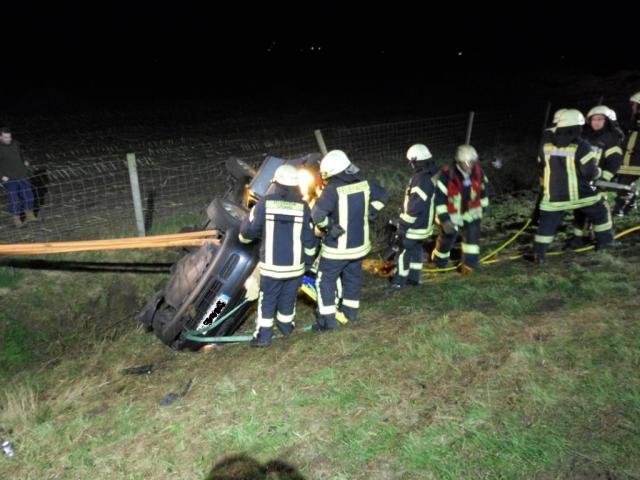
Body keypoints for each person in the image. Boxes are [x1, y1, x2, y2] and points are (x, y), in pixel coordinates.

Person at [239, 164, 317, 347]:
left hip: (272, 268)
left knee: (268, 300)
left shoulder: (265, 203)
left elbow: (249, 231)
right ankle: (286, 326)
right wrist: (307, 263)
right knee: (289, 297)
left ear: (275, 182)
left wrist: (242, 237)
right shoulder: (303, 206)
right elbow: (309, 239)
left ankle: (264, 336)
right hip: (295, 267)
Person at [311, 150, 387, 331]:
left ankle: (328, 322)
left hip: (337, 249)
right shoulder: (364, 184)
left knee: (324, 281)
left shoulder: (332, 190)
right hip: (359, 246)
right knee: (352, 277)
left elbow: (316, 216)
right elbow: (383, 196)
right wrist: (372, 210)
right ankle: (350, 313)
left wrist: (329, 226)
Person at [534, 109, 614, 262]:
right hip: (581, 195)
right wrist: (599, 173)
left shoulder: (547, 145)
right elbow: (590, 172)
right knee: (600, 213)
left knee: (547, 225)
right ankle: (605, 244)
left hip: (554, 196)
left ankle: (539, 254)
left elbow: (542, 165)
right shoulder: (582, 145)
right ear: (578, 127)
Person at [570, 105, 623, 246]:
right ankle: (579, 239)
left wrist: (603, 179)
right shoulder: (586, 137)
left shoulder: (612, 138)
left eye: (600, 119)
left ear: (607, 121)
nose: (596, 122)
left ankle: (603, 240)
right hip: (582, 180)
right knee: (580, 209)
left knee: (601, 209)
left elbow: (614, 161)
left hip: (598, 181)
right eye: (594, 119)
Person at [432, 144, 489, 274]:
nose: (469, 165)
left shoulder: (479, 172)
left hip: (472, 214)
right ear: (458, 161)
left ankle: (468, 267)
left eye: (472, 162)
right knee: (447, 239)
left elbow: (484, 191)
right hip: (452, 216)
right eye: (466, 162)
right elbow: (439, 200)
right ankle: (439, 262)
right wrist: (445, 220)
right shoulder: (447, 175)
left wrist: (483, 208)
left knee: (472, 241)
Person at [387, 143, 436, 293]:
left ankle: (399, 282)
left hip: (415, 227)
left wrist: (401, 227)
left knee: (404, 253)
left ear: (415, 161)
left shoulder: (420, 180)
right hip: (424, 226)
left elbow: (414, 208)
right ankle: (414, 279)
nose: (411, 166)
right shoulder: (431, 175)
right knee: (416, 252)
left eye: (412, 162)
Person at [0, 127, 37, 227]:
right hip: (9, 178)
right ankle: (17, 220)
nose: (8, 139)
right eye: (6, 137)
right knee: (14, 200)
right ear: (0, 137)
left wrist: (26, 160)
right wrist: (2, 176)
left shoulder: (15, 143)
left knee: (29, 197)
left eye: (10, 137)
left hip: (22, 175)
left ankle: (30, 215)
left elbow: (23, 153)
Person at [613, 91, 640, 216]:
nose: (633, 107)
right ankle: (630, 204)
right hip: (630, 157)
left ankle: (620, 209)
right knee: (625, 183)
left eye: (635, 104)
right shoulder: (635, 120)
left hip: (635, 159)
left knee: (625, 184)